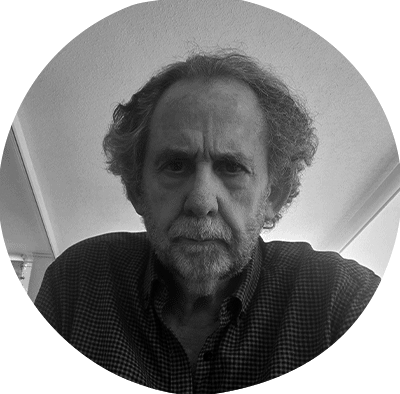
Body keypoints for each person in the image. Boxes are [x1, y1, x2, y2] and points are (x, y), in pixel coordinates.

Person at [35, 50, 380, 393]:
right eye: (175, 165)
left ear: (273, 196)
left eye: (232, 167)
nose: (201, 202)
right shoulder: (74, 284)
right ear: (138, 188)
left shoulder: (343, 302)